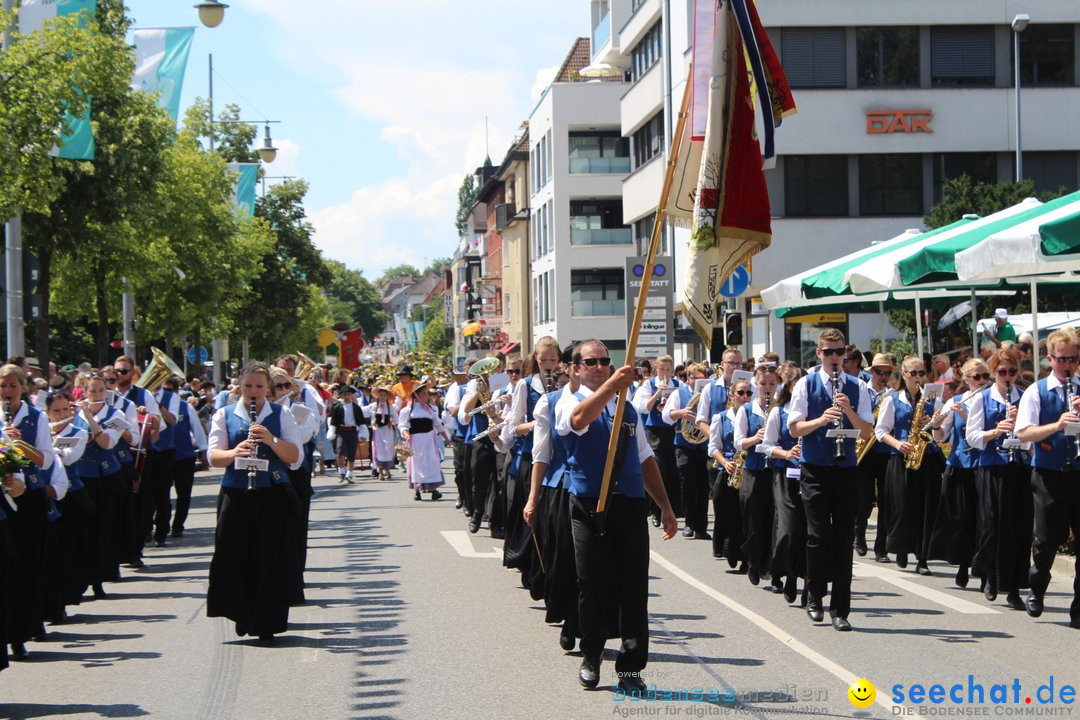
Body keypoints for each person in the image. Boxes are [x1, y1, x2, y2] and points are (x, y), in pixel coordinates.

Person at [554, 340, 676, 692]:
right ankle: (591, 654)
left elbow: (645, 459)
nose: (599, 366)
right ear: (575, 368)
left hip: (629, 504)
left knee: (634, 589)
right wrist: (613, 386)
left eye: (604, 361)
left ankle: (632, 666)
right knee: (592, 586)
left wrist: (666, 507)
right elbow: (579, 421)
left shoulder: (629, 408)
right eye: (590, 361)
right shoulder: (569, 400)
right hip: (589, 505)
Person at [206, 362, 303, 645]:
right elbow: (213, 457)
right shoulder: (225, 414)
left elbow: (294, 458)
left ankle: (266, 621)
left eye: (260, 387)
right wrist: (236, 451)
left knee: (268, 556)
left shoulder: (281, 414)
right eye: (248, 386)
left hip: (270, 492)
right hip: (236, 492)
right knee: (233, 553)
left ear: (268, 389)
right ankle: (241, 613)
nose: (253, 392)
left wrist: (271, 440)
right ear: (239, 386)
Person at [788, 329, 873, 631]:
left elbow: (866, 432)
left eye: (841, 354)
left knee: (842, 540)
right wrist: (822, 420)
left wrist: (847, 410)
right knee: (818, 536)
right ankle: (814, 595)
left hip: (846, 469)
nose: (835, 358)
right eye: (829, 352)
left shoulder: (857, 386)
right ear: (819, 354)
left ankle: (841, 609)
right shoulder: (805, 384)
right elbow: (795, 428)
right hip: (814, 469)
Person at [1016, 328, 1080, 627]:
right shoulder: (1036, 391)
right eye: (1062, 359)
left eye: (1073, 359)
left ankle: (1078, 608)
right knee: (1047, 540)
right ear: (1050, 359)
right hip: (1049, 474)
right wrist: (1057, 425)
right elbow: (1024, 433)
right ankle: (1037, 588)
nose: (1068, 365)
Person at [966, 349, 1030, 609]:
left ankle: (1013, 587)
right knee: (992, 525)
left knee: (1018, 528)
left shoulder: (1024, 397)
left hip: (1018, 468)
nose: (1007, 377)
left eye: (1011, 372)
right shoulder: (983, 398)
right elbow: (972, 436)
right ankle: (991, 575)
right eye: (1002, 372)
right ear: (993, 373)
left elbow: (1031, 436)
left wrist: (1020, 430)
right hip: (991, 468)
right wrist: (995, 431)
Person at [1, 363, 56, 659]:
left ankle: (21, 632)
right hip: (2, 499)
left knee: (26, 565)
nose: (7, 392)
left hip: (29, 499)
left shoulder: (37, 417)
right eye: (2, 386)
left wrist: (18, 443)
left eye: (12, 386)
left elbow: (46, 460)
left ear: (23, 387)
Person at [876, 355, 943, 575]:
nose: (917, 377)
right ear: (904, 374)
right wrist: (898, 443)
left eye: (921, 373)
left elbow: (941, 433)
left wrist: (933, 424)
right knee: (902, 505)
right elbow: (881, 431)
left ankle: (922, 557)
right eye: (913, 373)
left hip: (927, 457)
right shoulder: (892, 399)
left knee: (926, 506)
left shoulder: (932, 398)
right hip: (901, 457)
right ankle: (902, 549)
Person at [929, 358, 990, 590]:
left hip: (984, 465)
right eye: (977, 377)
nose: (982, 381)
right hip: (959, 465)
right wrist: (937, 423)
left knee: (984, 519)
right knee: (961, 518)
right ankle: (963, 564)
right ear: (966, 379)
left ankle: (984, 569)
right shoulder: (955, 401)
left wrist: (967, 418)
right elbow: (940, 437)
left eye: (985, 376)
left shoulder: (991, 399)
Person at [502, 337, 560, 572]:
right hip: (531, 457)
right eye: (543, 359)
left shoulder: (565, 385)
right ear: (536, 358)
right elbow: (513, 427)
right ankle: (532, 566)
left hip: (558, 457)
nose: (548, 364)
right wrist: (535, 425)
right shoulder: (525, 385)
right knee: (532, 513)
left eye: (553, 359)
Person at [72, 374, 127, 597]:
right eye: (93, 391)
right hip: (80, 476)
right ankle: (80, 579)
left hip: (106, 476)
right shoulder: (73, 414)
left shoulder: (117, 415)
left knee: (103, 528)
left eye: (101, 391)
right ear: (85, 392)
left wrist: (90, 419)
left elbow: (106, 443)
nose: (97, 395)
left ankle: (100, 578)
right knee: (81, 530)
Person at [762, 370, 805, 604]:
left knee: (809, 530)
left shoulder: (815, 413)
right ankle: (787, 573)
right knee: (789, 527)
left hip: (810, 474)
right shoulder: (779, 412)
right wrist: (787, 453)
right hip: (785, 475)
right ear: (789, 389)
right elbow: (767, 446)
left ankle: (806, 579)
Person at [734, 365, 778, 588]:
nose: (767, 389)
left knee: (773, 518)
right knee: (753, 518)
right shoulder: (746, 410)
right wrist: (756, 438)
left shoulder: (780, 409)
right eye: (763, 384)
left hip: (775, 470)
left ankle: (770, 565)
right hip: (753, 469)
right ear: (756, 385)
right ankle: (752, 560)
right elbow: (738, 441)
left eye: (772, 384)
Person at [632, 354, 682, 528]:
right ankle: (655, 511)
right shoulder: (649, 384)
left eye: (668, 369)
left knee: (672, 470)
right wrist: (658, 393)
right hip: (654, 431)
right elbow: (641, 407)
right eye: (662, 370)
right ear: (656, 370)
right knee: (658, 470)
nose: (665, 373)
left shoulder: (678, 385)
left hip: (672, 430)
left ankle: (672, 509)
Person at [662, 363, 710, 540]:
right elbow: (666, 416)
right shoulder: (678, 393)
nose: (696, 381)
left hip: (704, 444)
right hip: (684, 445)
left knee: (703, 486)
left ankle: (701, 527)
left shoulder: (708, 394)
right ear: (688, 378)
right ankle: (689, 524)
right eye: (693, 377)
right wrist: (682, 412)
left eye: (700, 378)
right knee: (688, 485)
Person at [855, 353, 895, 562]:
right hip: (865, 451)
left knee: (885, 501)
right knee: (865, 498)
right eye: (880, 372)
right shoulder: (862, 390)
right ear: (872, 371)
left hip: (885, 451)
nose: (884, 376)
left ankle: (881, 548)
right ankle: (859, 533)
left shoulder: (893, 394)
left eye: (888, 373)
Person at [707, 377, 749, 568]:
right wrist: (724, 462)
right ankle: (730, 550)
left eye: (748, 393)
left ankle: (747, 557)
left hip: (749, 468)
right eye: (740, 393)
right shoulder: (721, 417)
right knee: (729, 514)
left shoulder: (754, 415)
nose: (745, 397)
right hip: (730, 469)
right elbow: (713, 446)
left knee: (747, 514)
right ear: (732, 395)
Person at [399, 380, 449, 501]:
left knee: (432, 462)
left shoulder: (431, 409)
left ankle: (434, 489)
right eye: (424, 393)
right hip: (415, 440)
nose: (426, 396)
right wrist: (405, 434)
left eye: (427, 393)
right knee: (417, 463)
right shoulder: (408, 410)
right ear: (416, 395)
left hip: (429, 440)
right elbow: (402, 425)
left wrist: (446, 438)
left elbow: (438, 424)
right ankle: (417, 490)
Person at [443, 369, 472, 514]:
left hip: (478, 434)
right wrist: (470, 399)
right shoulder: (456, 388)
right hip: (461, 434)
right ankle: (464, 498)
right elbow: (453, 412)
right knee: (461, 470)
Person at [329, 385, 365, 484]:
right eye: (344, 394)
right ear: (341, 395)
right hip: (341, 431)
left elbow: (361, 421)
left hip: (352, 431)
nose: (347, 396)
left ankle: (349, 474)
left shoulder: (356, 408)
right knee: (340, 451)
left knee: (351, 453)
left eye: (349, 394)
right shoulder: (337, 407)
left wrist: (363, 433)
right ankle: (342, 471)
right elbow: (333, 421)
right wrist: (332, 433)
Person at [365, 386, 398, 481]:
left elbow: (396, 418)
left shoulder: (390, 407)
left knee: (388, 449)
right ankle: (380, 471)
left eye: (384, 395)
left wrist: (392, 421)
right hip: (378, 431)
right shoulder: (374, 406)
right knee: (378, 449)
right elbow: (364, 412)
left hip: (388, 431)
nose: (382, 397)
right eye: (381, 395)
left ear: (387, 396)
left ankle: (387, 470)